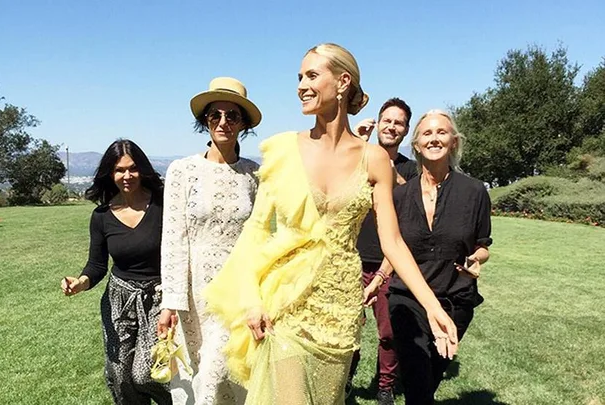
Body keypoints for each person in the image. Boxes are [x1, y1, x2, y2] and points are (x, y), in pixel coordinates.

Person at [203, 43, 458, 405]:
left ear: (342, 82)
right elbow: (256, 230)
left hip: (339, 309)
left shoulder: (374, 160)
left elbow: (393, 242)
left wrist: (432, 307)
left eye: (311, 75)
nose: (301, 86)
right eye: (299, 77)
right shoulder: (283, 150)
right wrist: (251, 299)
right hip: (285, 304)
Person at [371, 109, 492, 405]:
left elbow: (483, 245)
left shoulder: (475, 192)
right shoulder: (399, 196)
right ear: (416, 144)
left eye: (441, 132)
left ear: (453, 142)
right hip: (407, 299)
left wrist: (476, 260)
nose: (434, 138)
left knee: (431, 377)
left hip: (455, 300)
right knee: (416, 382)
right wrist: (379, 279)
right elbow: (396, 247)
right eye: (427, 133)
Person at [156, 77, 262, 405]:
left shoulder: (253, 173)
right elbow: (173, 237)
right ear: (204, 121)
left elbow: (259, 237)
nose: (223, 122)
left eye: (232, 116)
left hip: (237, 287)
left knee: (220, 368)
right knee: (198, 371)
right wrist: (170, 302)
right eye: (215, 115)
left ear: (243, 123)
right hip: (193, 286)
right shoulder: (182, 171)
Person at [61, 139, 171, 405]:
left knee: (145, 374)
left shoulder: (163, 205)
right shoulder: (101, 216)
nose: (127, 175)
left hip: (158, 297)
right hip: (118, 300)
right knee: (120, 377)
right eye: (119, 170)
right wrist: (81, 282)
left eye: (132, 168)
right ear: (110, 174)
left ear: (142, 169)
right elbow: (97, 265)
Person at [347, 98, 417, 404]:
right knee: (345, 328)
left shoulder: (412, 169)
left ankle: (385, 385)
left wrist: (392, 176)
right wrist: (358, 143)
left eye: (398, 122)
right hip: (351, 259)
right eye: (386, 120)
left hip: (389, 263)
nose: (391, 126)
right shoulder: (358, 158)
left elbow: (416, 207)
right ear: (377, 123)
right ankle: (345, 380)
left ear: (405, 130)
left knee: (388, 333)